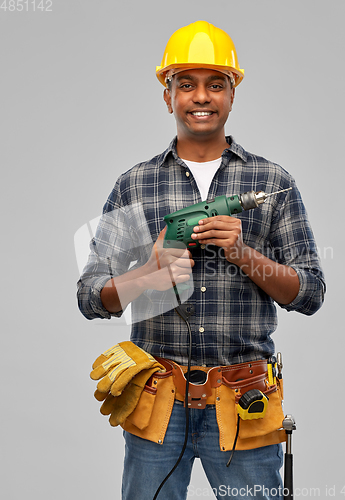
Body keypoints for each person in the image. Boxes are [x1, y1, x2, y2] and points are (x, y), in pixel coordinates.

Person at [77, 21, 326, 500]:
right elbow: (90, 297)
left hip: (244, 401)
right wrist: (146, 275)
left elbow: (311, 293)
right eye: (185, 84)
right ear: (166, 95)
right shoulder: (135, 185)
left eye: (216, 84)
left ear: (233, 94)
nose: (201, 97)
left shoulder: (275, 181)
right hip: (156, 402)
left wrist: (242, 253)